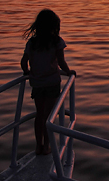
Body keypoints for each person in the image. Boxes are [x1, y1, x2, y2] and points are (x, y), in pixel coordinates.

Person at [21, 9, 73, 155]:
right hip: (52, 82)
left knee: (39, 114)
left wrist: (26, 72)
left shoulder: (32, 43)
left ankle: (38, 146)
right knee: (49, 116)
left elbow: (24, 62)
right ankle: (47, 146)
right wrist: (68, 72)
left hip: (37, 83)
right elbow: (61, 62)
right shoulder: (56, 42)